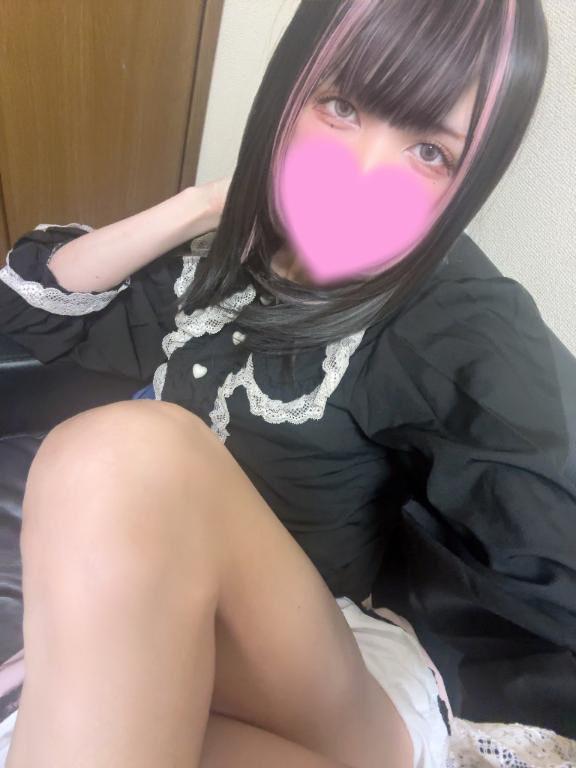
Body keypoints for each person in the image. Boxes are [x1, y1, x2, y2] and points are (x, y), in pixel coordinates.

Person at [0, 0, 574, 766]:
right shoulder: (223, 259)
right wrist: (209, 203)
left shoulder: (454, 315)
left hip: (329, 673)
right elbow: (31, 308)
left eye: (429, 151)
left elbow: (552, 525)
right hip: (179, 628)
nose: (360, 174)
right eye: (342, 106)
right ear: (289, 88)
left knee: (116, 456)